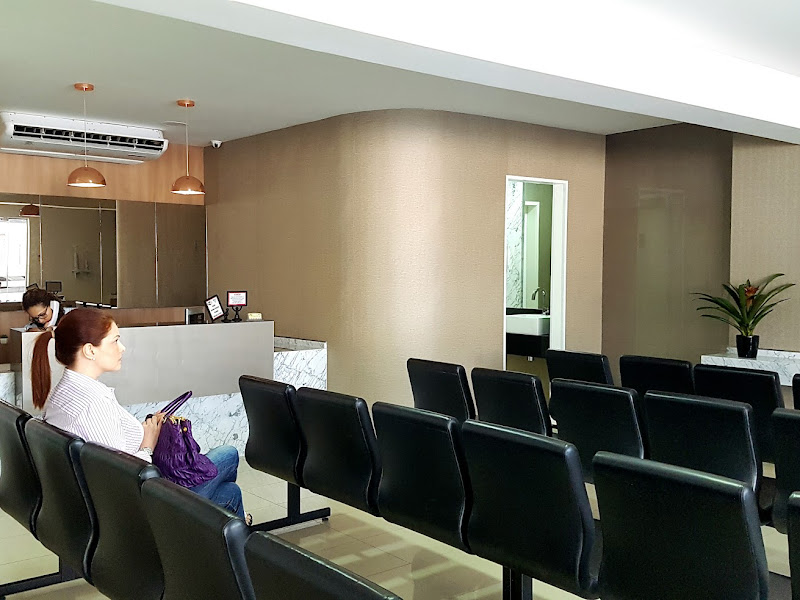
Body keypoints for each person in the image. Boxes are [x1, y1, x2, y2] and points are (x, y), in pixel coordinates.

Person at [31, 308, 250, 523]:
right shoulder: (92, 405)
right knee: (229, 454)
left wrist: (147, 428)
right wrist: (147, 445)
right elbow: (122, 478)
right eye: (115, 341)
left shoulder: (66, 392)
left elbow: (110, 448)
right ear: (90, 350)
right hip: (137, 506)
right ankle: (199, 529)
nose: (122, 348)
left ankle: (216, 530)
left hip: (95, 501)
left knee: (229, 493)